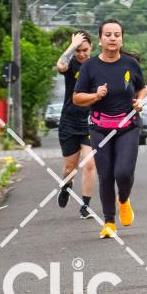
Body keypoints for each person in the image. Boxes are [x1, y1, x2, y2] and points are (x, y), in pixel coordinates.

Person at [73, 19, 147, 239]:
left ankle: (123, 199)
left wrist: (140, 101)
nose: (112, 38)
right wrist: (95, 95)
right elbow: (77, 98)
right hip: (99, 127)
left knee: (123, 172)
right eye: (108, 34)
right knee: (105, 175)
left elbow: (142, 88)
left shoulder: (130, 63)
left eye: (117, 34)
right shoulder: (90, 66)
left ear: (122, 39)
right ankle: (109, 222)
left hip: (128, 126)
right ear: (100, 40)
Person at [55, 31, 97, 218]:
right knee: (69, 169)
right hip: (69, 121)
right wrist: (72, 46)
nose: (81, 54)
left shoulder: (97, 65)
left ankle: (85, 206)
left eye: (85, 50)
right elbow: (60, 65)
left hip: (90, 121)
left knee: (89, 164)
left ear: (91, 48)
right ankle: (66, 186)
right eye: (78, 50)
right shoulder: (70, 64)